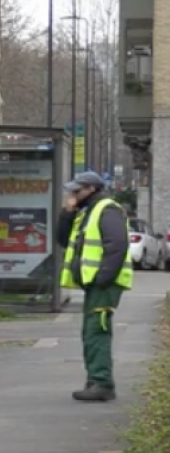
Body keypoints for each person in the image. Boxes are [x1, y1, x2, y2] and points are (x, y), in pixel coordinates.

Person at [55, 170, 132, 402]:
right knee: (91, 332)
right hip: (95, 284)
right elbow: (64, 239)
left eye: (77, 191)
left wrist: (102, 278)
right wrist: (67, 213)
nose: (73, 194)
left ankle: (102, 383)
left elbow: (117, 245)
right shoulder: (87, 212)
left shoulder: (106, 209)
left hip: (103, 284)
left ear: (91, 189)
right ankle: (95, 381)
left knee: (96, 331)